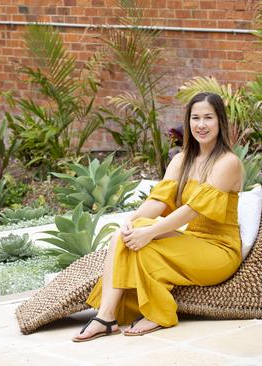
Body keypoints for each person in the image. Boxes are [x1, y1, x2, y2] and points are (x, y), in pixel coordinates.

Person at [73, 92, 244, 342]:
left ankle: (157, 313)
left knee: (143, 245)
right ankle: (106, 317)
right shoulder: (181, 160)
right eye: (195, 118)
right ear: (188, 122)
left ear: (220, 121)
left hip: (219, 250)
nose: (201, 125)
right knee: (124, 237)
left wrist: (150, 232)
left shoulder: (228, 162)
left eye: (208, 118)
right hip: (191, 240)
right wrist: (130, 224)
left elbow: (192, 209)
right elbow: (157, 201)